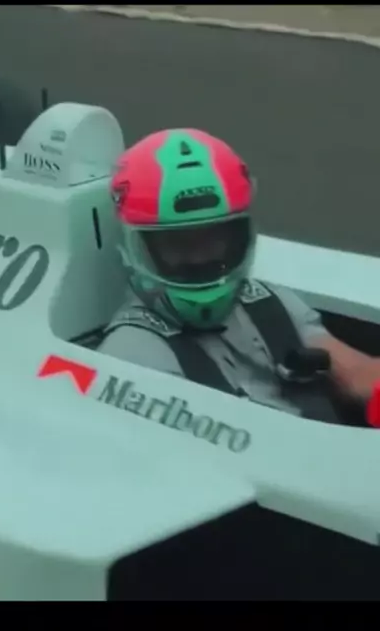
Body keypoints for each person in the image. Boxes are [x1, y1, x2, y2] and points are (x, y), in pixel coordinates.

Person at [97, 127, 380, 423]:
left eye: (214, 239)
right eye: (178, 244)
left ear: (239, 237)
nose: (199, 258)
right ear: (140, 248)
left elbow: (357, 373)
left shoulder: (269, 304)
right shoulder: (132, 357)